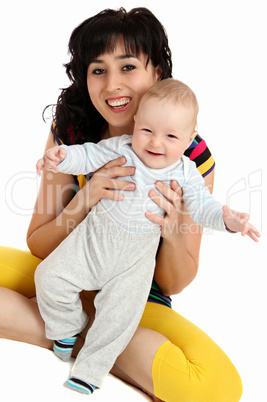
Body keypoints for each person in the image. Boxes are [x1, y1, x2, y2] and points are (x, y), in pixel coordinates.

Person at [0, 7, 245, 401]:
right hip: (70, 270)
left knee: (215, 387)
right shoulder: (73, 132)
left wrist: (175, 225)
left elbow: (174, 282)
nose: (112, 84)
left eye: (128, 66)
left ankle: (91, 336)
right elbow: (39, 244)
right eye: (98, 70)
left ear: (157, 75)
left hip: (134, 296)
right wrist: (86, 199)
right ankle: (82, 329)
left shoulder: (189, 159)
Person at [35, 78, 259, 395]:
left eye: (170, 136)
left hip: (134, 260)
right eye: (148, 130)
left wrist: (230, 219)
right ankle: (67, 327)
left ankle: (89, 373)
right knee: (48, 277)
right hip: (92, 241)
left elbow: (203, 207)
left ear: (189, 139)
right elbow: (87, 156)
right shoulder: (120, 148)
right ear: (136, 121)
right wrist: (61, 157)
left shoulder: (185, 173)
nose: (156, 143)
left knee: (118, 319)